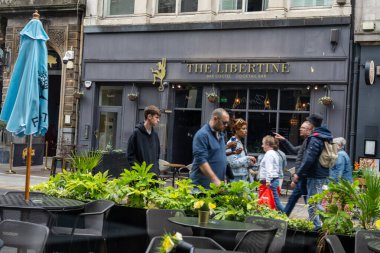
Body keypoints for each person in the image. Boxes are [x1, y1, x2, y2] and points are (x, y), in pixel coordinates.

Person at [293, 113, 333, 230]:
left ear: (311, 124)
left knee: (313, 203)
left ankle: (318, 227)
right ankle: (320, 225)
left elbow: (309, 158)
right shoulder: (324, 136)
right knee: (315, 202)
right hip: (320, 174)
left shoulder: (315, 138)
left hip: (316, 175)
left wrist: (298, 173)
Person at [274, 120, 313, 216]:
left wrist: (298, 175)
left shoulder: (311, 143)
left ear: (309, 130)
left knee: (310, 202)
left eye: (303, 128)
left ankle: (317, 223)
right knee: (294, 199)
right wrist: (284, 140)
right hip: (302, 178)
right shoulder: (306, 142)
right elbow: (294, 150)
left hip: (305, 178)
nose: (300, 129)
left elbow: (307, 161)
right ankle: (284, 217)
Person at [190, 108, 230, 189]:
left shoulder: (220, 134)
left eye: (227, 123)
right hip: (203, 187)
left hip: (216, 186)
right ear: (215, 118)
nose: (226, 125)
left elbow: (218, 155)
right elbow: (201, 161)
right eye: (224, 123)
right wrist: (215, 180)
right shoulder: (202, 135)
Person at [127, 105, 161, 176]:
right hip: (139, 177)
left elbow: (157, 156)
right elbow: (130, 156)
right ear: (149, 116)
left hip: (153, 177)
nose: (158, 120)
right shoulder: (136, 133)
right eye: (156, 117)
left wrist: (156, 170)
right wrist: (140, 170)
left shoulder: (155, 135)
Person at [259, 135, 285, 212]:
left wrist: (268, 181)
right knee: (273, 200)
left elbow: (269, 168)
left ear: (267, 144)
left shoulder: (269, 154)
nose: (262, 146)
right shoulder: (274, 153)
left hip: (270, 182)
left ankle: (286, 214)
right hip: (273, 180)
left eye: (263, 144)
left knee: (275, 201)